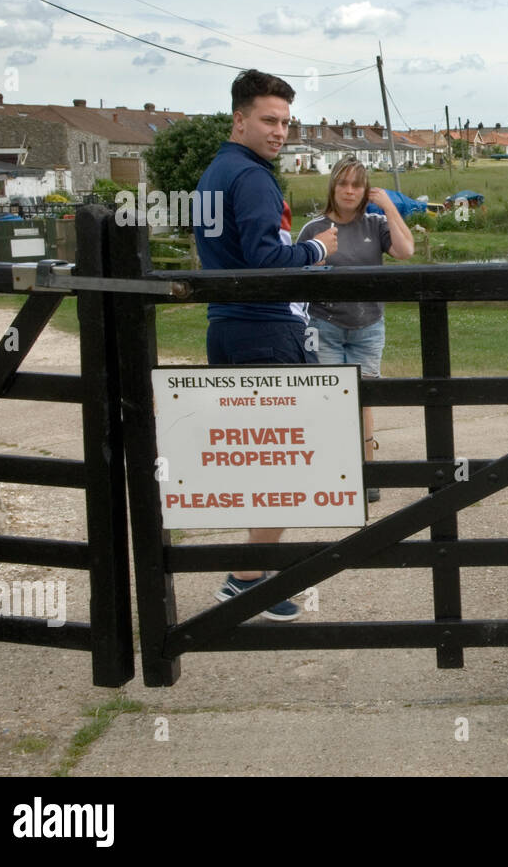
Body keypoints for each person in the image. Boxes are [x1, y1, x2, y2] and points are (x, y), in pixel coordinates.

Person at [194, 68, 338, 621]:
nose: (279, 131)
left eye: (285, 121)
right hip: (265, 327)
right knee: (285, 459)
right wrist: (318, 251)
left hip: (226, 328)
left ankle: (249, 570)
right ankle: (247, 577)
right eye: (268, 120)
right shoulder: (251, 177)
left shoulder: (214, 173)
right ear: (240, 118)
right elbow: (264, 259)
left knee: (258, 456)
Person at [297, 156, 415, 502]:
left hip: (368, 326)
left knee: (364, 401)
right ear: (333, 186)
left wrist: (389, 207)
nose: (349, 191)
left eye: (357, 185)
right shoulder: (313, 229)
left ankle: (367, 473)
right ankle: (334, 472)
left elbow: (405, 251)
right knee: (331, 400)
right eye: (343, 184)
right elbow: (297, 274)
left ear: (365, 190)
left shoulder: (375, 224)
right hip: (325, 325)